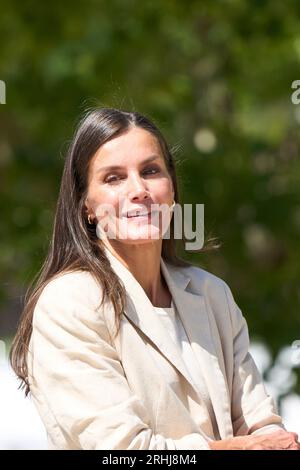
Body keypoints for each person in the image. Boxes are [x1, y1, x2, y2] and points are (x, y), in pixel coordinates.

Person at [10, 108, 300, 450]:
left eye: (150, 171)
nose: (139, 190)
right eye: (113, 178)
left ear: (172, 189)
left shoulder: (212, 295)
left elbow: (264, 429)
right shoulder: (68, 304)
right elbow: (124, 451)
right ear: (86, 205)